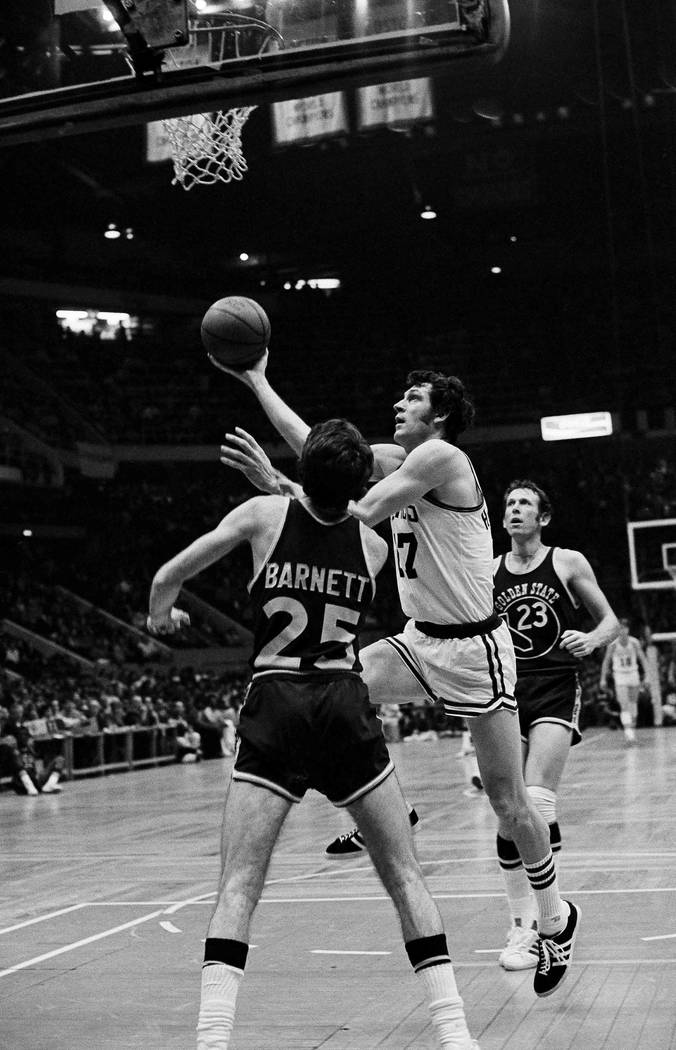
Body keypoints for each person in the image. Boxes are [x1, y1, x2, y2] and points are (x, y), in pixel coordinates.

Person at [215, 355, 581, 998]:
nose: (398, 404)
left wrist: (277, 487)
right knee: (339, 684)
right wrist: (257, 379)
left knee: (509, 802)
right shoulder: (402, 455)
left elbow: (356, 509)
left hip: (475, 650)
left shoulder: (442, 460)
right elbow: (321, 455)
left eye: (411, 397)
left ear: (437, 415)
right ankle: (392, 806)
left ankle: (555, 916)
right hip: (419, 640)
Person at [147, 419, 481, 1050]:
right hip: (343, 703)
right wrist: (294, 483)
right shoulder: (374, 547)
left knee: (239, 883)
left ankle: (212, 1039)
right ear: (360, 484)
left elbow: (169, 575)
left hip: (277, 701)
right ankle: (455, 1031)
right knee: (406, 875)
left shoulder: (261, 515)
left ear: (301, 473)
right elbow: (333, 515)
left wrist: (162, 614)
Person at [492, 479, 620, 970]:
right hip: (504, 691)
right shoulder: (486, 571)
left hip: (555, 685)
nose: (515, 510)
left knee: (538, 799)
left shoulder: (567, 562)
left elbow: (609, 621)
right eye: (509, 504)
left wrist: (591, 640)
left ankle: (551, 922)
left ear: (543, 517)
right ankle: (523, 924)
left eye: (524, 503)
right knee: (510, 811)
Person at [599, 618, 650, 744]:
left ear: (628, 629)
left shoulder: (634, 643)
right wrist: (603, 678)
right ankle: (628, 734)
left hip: (633, 674)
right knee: (624, 704)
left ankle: (632, 733)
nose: (623, 630)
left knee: (633, 705)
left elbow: (643, 659)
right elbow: (606, 661)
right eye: (620, 628)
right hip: (620, 676)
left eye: (625, 628)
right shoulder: (613, 644)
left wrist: (648, 676)